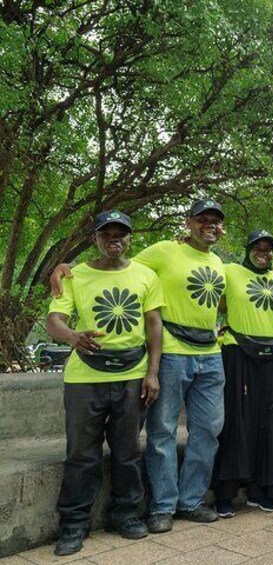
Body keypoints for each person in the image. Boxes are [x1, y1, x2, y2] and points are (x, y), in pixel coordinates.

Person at [50, 200, 229, 532]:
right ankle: (162, 506)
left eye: (216, 221)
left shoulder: (219, 262)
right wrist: (66, 265)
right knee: (161, 431)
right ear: (189, 222)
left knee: (208, 430)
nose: (211, 225)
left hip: (210, 354)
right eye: (203, 219)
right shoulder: (163, 251)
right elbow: (114, 260)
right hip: (173, 352)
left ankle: (189, 501)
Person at [47, 211, 163, 555]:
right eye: (106, 233)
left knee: (128, 452)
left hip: (131, 374)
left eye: (121, 233)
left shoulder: (145, 275)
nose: (114, 238)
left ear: (130, 239)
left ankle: (125, 515)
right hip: (85, 377)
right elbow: (55, 319)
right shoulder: (74, 275)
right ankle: (73, 523)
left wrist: (152, 372)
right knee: (81, 454)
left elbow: (154, 325)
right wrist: (72, 336)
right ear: (95, 238)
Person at [213, 230, 273, 517]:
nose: (263, 252)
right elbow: (209, 294)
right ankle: (225, 492)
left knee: (265, 421)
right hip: (237, 351)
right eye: (258, 247)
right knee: (234, 420)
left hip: (271, 357)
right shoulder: (229, 270)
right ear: (248, 249)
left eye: (268, 249)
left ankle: (259, 488)